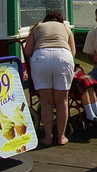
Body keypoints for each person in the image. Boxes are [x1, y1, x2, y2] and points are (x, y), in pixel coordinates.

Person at [24, 10, 76, 146]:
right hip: (62, 57)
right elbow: (73, 51)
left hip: (42, 57)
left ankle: (47, 137)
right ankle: (61, 137)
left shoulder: (38, 27)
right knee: (62, 101)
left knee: (46, 102)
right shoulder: (65, 27)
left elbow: (28, 51)